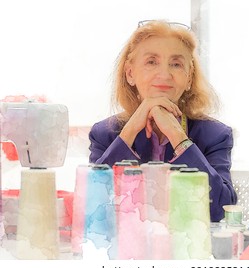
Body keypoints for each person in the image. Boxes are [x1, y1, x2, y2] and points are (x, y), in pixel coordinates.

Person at [89, 20, 237, 222]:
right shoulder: (105, 134)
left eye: (176, 64)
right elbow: (93, 207)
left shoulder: (215, 135)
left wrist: (178, 137)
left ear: (189, 77)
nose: (165, 74)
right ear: (130, 73)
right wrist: (131, 130)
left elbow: (219, 210)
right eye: (151, 62)